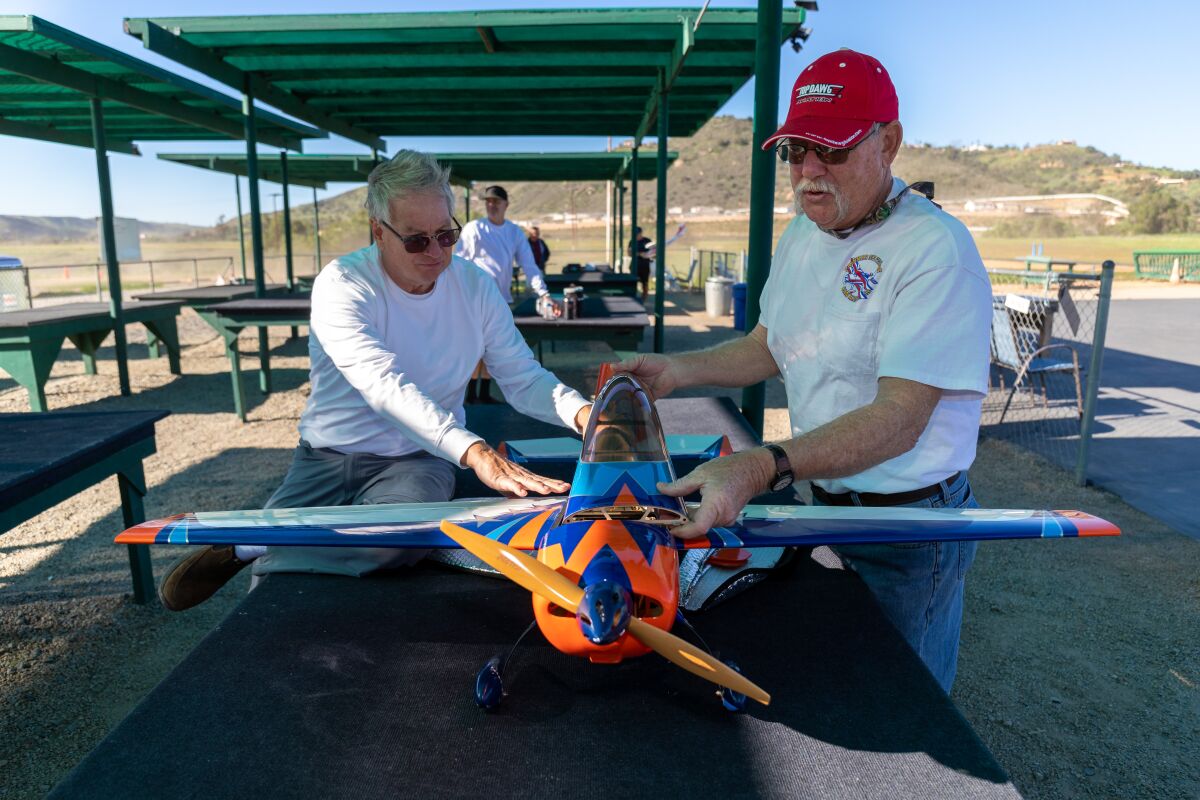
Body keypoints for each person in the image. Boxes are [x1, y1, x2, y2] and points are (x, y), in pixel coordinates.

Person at [617, 49, 992, 692]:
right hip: (824, 506)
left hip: (908, 527)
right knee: (833, 682)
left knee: (903, 705)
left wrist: (761, 465)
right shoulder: (802, 234)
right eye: (795, 150)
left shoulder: (936, 250)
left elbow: (900, 420)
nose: (808, 172)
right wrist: (677, 371)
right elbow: (770, 345)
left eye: (833, 150)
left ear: (890, 143)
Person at [157, 151, 592, 612]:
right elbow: (383, 386)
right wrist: (473, 451)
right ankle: (262, 554)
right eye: (417, 240)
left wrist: (584, 413)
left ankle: (254, 547)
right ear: (378, 231)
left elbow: (522, 377)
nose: (437, 252)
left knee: (394, 543)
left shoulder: (476, 287)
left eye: (447, 235)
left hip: (417, 459)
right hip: (325, 457)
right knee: (384, 542)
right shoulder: (343, 283)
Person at [456, 185, 552, 403]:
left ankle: (484, 393)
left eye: (496, 201)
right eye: (488, 201)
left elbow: (529, 265)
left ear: (506, 205)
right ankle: (470, 394)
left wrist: (542, 292)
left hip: (501, 301)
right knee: (474, 347)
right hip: (474, 300)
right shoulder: (474, 229)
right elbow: (459, 262)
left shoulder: (514, 232)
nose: (491, 205)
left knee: (493, 347)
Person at [629, 226, 652, 302]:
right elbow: (629, 253)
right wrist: (639, 254)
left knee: (645, 283)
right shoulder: (632, 241)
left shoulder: (647, 241)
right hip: (635, 265)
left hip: (645, 266)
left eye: (637, 234)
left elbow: (653, 252)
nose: (636, 236)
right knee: (633, 282)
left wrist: (647, 255)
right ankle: (633, 297)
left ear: (641, 233)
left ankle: (644, 298)